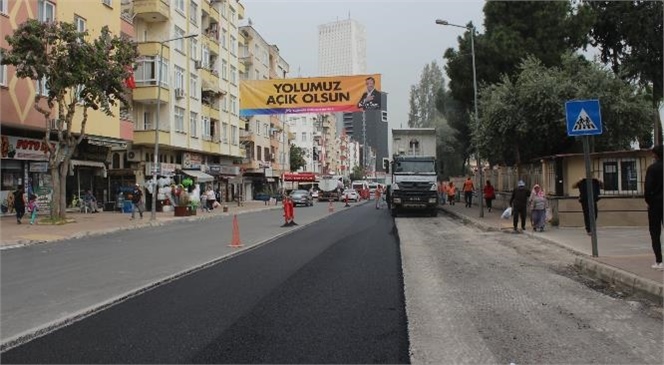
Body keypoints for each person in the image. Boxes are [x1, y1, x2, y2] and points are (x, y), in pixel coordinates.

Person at [645, 145, 663, 270]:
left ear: (656, 155)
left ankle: (659, 261)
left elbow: (648, 188)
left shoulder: (652, 169)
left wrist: (649, 202)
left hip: (656, 204)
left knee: (655, 232)